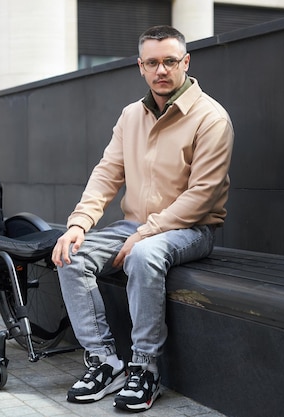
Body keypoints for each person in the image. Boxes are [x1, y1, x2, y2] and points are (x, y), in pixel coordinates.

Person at [51, 25, 234, 412]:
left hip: (191, 229)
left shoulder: (211, 118)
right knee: (71, 255)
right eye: (152, 62)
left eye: (170, 61)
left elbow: (203, 195)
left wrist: (147, 233)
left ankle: (146, 368)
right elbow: (107, 174)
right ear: (141, 67)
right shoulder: (131, 116)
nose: (161, 70)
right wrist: (78, 224)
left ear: (186, 62)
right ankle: (104, 361)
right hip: (135, 226)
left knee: (143, 254)